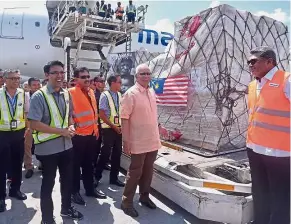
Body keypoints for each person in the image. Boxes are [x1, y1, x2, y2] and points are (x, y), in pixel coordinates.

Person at [28, 61, 83, 224]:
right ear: (47, 75)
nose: (60, 76)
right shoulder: (40, 96)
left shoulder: (66, 94)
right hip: (47, 150)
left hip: (67, 146)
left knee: (67, 180)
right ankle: (46, 218)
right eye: (55, 73)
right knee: (48, 184)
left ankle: (66, 209)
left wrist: (72, 126)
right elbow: (34, 124)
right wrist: (62, 131)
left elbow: (69, 117)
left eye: (62, 72)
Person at [246, 46, 290, 224]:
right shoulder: (253, 85)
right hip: (254, 149)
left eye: (253, 61)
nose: (250, 65)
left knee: (280, 197)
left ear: (269, 62)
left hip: (279, 153)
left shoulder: (286, 80)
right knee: (260, 192)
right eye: (248, 62)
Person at [120, 64, 161, 217]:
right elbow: (124, 119)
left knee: (148, 170)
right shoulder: (130, 94)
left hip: (152, 139)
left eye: (148, 73)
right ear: (136, 76)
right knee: (135, 172)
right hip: (137, 140)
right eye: (142, 73)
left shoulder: (151, 91)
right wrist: (126, 141)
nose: (145, 76)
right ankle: (126, 202)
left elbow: (151, 114)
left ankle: (144, 197)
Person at [69, 67, 106, 206]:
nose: (86, 79)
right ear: (76, 79)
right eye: (83, 77)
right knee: (75, 166)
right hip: (78, 136)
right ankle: (74, 192)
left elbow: (93, 114)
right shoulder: (70, 93)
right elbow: (68, 114)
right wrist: (73, 127)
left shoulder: (91, 92)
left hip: (91, 134)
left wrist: (96, 130)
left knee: (89, 164)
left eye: (88, 76)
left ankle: (90, 189)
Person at [0, 69, 29, 213]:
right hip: (2, 133)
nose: (16, 81)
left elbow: (26, 112)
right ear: (5, 80)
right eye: (12, 78)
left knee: (17, 164)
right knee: (1, 166)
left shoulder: (23, 94)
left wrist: (27, 129)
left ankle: (15, 190)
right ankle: (0, 197)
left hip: (19, 133)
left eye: (18, 78)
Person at [95, 75, 125, 187]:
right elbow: (101, 114)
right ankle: (96, 177)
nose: (121, 84)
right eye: (119, 82)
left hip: (118, 128)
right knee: (105, 153)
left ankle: (114, 178)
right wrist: (113, 126)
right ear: (113, 83)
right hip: (108, 129)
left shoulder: (119, 95)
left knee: (117, 154)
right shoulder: (105, 95)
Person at [24, 77, 41, 179]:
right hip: (29, 124)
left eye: (38, 85)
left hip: (42, 124)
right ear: (29, 86)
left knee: (42, 144)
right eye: (34, 85)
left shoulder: (44, 95)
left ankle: (42, 164)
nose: (37, 87)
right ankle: (29, 167)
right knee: (28, 147)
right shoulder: (25, 97)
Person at [93, 76, 111, 173]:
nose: (103, 83)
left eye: (104, 81)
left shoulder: (105, 94)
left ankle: (101, 164)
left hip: (105, 124)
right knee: (96, 146)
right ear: (95, 83)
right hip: (97, 124)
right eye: (101, 81)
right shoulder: (93, 95)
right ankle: (94, 165)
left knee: (104, 146)